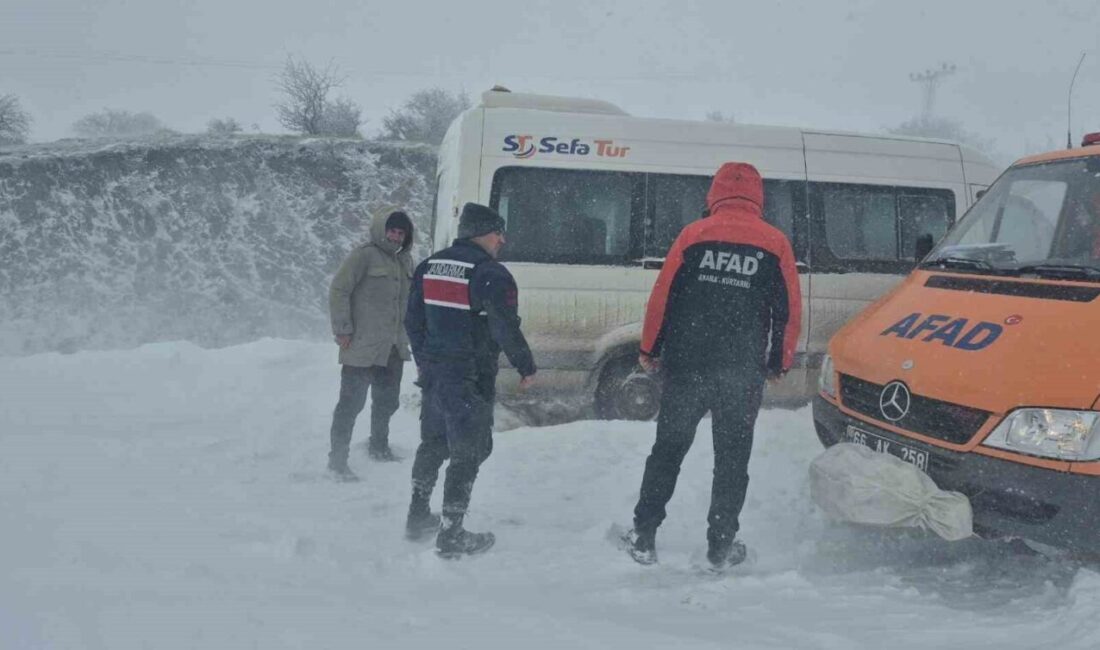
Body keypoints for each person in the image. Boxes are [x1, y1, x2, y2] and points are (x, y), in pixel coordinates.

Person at [621, 162, 802, 569]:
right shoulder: (775, 243)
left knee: (668, 450)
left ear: (714, 193)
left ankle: (644, 535)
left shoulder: (693, 235)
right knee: (732, 459)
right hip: (741, 371)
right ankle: (720, 546)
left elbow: (662, 298)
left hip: (688, 365)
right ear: (758, 197)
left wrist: (650, 348)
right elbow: (788, 311)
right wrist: (779, 362)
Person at [403, 202, 537, 556]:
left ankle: (417, 515)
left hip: (435, 374)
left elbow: (412, 321)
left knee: (433, 443)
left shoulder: (429, 266)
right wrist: (525, 365)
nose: (502, 241)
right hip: (469, 376)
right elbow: (504, 326)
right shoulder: (490, 274)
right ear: (483, 233)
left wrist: (424, 361)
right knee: (469, 450)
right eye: (498, 233)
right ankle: (452, 535)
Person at [326, 207, 415, 481]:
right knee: (351, 404)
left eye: (401, 233)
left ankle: (379, 446)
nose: (396, 237)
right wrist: (342, 329)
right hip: (362, 346)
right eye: (392, 231)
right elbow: (339, 290)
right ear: (380, 230)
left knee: (387, 401)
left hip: (393, 347)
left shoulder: (406, 261)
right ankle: (337, 462)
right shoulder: (363, 256)